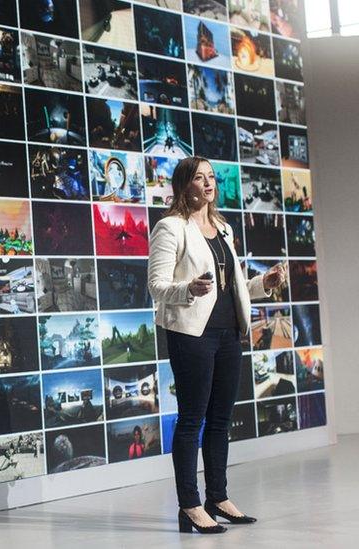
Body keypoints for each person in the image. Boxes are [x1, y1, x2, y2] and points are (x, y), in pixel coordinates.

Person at [147, 156, 286, 534]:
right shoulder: (170, 228)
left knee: (220, 420)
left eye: (211, 177)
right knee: (192, 418)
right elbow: (156, 286)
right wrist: (187, 289)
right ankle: (189, 505)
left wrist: (264, 284)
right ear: (183, 185)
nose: (208, 184)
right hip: (192, 333)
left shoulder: (222, 227)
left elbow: (234, 285)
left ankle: (218, 498)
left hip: (228, 333)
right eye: (199, 178)